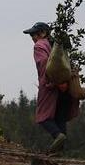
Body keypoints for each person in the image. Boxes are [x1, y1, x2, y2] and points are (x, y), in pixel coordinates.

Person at [24, 21, 79, 153]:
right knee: (60, 117)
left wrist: (48, 83)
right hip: (65, 86)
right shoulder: (57, 44)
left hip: (51, 86)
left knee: (42, 117)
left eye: (34, 34)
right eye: (31, 35)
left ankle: (57, 135)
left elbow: (43, 65)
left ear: (43, 33)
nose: (32, 38)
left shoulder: (39, 46)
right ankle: (59, 152)